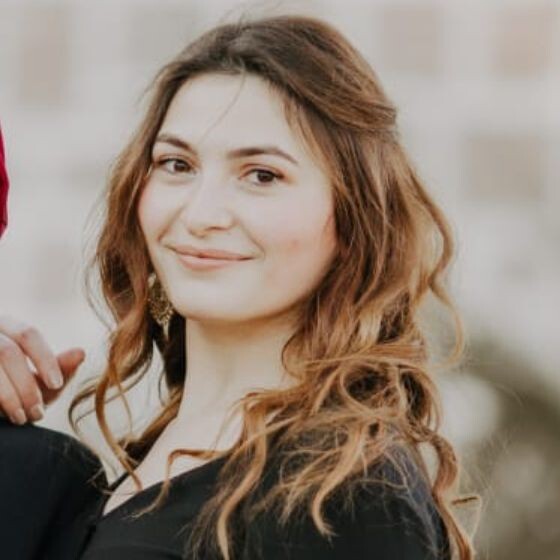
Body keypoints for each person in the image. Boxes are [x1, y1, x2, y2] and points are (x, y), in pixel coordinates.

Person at [0, 14, 477, 560]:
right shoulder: (119, 477)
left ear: (354, 221)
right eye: (177, 164)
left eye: (262, 175)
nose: (200, 214)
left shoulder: (345, 495)